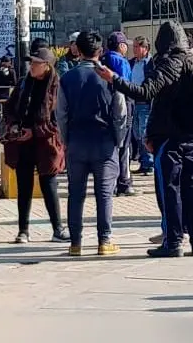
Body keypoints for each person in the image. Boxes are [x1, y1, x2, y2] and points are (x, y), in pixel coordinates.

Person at [97, 22, 193, 258]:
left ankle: (173, 241)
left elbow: (145, 92)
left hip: (170, 137)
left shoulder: (170, 63)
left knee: (169, 190)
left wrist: (113, 78)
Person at [57, 31, 126, 257]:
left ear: (78, 50)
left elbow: (61, 114)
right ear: (99, 51)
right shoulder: (109, 77)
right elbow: (120, 113)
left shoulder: (67, 78)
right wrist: (118, 139)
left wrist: (67, 139)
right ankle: (104, 241)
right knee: (104, 193)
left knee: (75, 193)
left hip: (77, 141)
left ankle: (75, 243)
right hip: (104, 141)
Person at [1, 47, 68, 244]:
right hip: (23, 144)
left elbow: (59, 120)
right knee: (24, 186)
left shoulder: (58, 87)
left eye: (36, 63)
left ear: (47, 66)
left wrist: (36, 131)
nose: (32, 66)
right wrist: (14, 125)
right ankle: (23, 230)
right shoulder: (23, 83)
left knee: (49, 186)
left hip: (46, 144)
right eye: (31, 62)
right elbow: (9, 108)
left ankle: (58, 229)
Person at [102, 31, 135, 196]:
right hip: (123, 104)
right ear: (121, 46)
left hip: (106, 106)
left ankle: (112, 181)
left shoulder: (102, 60)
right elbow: (125, 85)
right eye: (125, 45)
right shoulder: (121, 62)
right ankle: (125, 182)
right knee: (125, 144)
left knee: (112, 144)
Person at [128, 36, 156, 177]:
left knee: (144, 132)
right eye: (133, 46)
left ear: (145, 48)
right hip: (133, 103)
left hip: (145, 102)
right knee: (137, 133)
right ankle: (143, 161)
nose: (134, 49)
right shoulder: (131, 63)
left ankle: (149, 163)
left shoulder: (151, 63)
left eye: (137, 47)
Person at [0, 56, 17, 122]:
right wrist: (8, 82)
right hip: (4, 93)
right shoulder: (10, 70)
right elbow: (14, 82)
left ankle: (0, 123)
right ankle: (4, 123)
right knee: (5, 110)